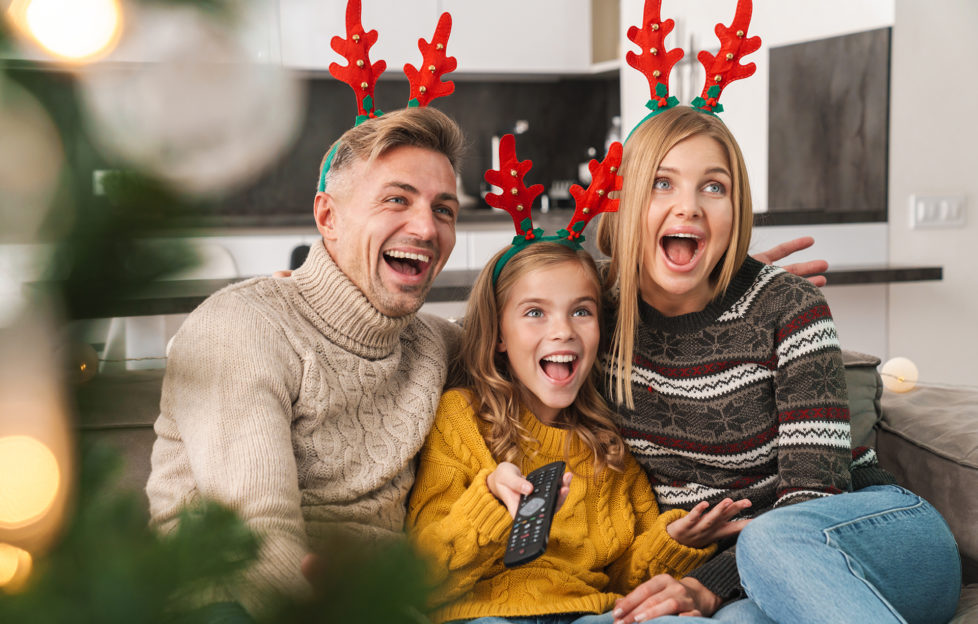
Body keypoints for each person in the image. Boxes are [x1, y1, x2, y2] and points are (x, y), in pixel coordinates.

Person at [595, 106, 961, 623]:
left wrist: (707, 585)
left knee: (770, 541)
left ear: (736, 207)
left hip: (868, 536)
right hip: (743, 582)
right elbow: (504, 324)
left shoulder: (787, 305)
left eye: (714, 187)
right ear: (624, 201)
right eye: (661, 183)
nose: (689, 207)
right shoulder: (592, 318)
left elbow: (815, 492)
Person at [145, 106, 467, 614]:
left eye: (444, 209)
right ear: (328, 217)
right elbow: (257, 546)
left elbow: (532, 335)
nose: (426, 228)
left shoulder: (433, 344)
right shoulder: (243, 326)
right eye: (396, 200)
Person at [407, 241, 751, 624]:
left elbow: (625, 581)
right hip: (485, 615)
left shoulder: (610, 445)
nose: (563, 331)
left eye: (581, 311)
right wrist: (490, 502)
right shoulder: (461, 419)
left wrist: (676, 544)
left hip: (591, 613)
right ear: (499, 333)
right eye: (535, 312)